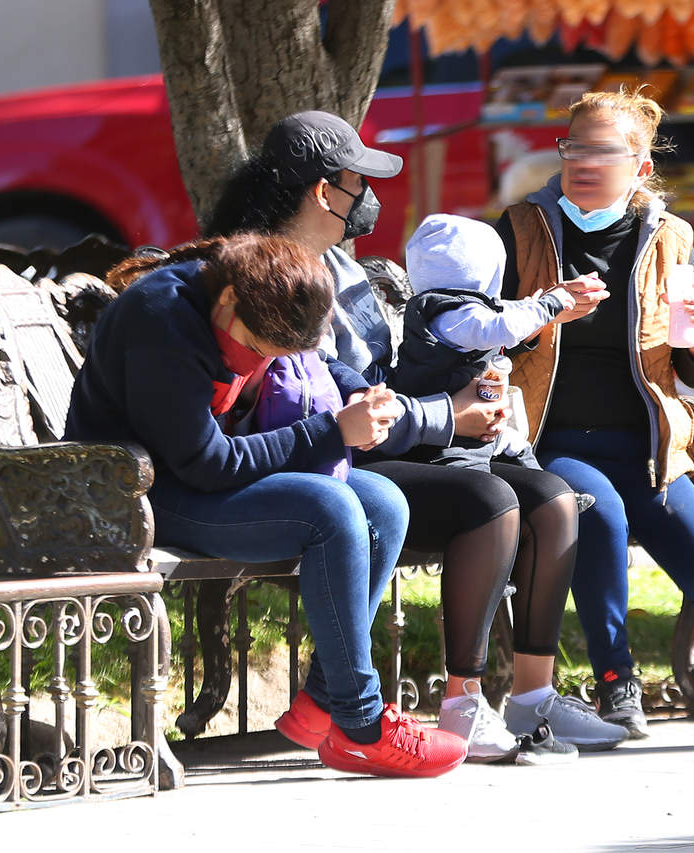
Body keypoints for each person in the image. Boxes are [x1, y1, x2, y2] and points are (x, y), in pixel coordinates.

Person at [207, 110, 627, 761]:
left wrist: (463, 404)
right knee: (490, 500)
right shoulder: (274, 274)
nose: (369, 199)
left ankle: (533, 697)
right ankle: (463, 703)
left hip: (394, 435)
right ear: (324, 192)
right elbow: (329, 396)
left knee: (552, 498)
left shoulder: (341, 267)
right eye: (359, 182)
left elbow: (380, 378)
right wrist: (447, 414)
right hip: (337, 452)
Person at [64, 233, 468, 777]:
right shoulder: (161, 320)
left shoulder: (249, 304)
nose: (260, 363)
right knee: (330, 509)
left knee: (384, 503)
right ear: (229, 299)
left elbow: (314, 363)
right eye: (257, 349)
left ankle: (324, 703)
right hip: (134, 494)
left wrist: (355, 393)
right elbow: (208, 463)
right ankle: (362, 725)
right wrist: (331, 431)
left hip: (195, 479)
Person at [495, 88, 694, 739]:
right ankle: (616, 680)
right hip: (554, 443)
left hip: (647, 448)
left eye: (604, 152)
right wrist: (546, 313)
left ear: (640, 167)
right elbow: (482, 337)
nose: (584, 163)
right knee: (600, 518)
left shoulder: (670, 237)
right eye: (574, 148)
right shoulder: (522, 228)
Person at [394, 212, 573, 472]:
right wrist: (548, 306)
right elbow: (501, 327)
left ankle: (548, 488)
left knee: (520, 448)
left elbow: (500, 312)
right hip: (448, 435)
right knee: (477, 477)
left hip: (474, 421)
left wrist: (528, 307)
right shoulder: (455, 316)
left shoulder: (453, 309)